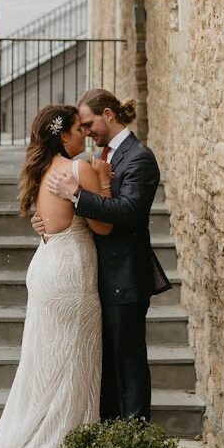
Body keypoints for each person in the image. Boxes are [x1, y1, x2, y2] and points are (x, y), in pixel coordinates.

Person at [0, 104, 114, 448]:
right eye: (78, 129)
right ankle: (58, 444)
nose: (84, 135)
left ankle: (38, 436)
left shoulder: (41, 171)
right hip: (71, 270)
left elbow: (48, 221)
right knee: (74, 362)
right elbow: (104, 227)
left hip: (46, 264)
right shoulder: (81, 169)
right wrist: (105, 180)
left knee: (46, 361)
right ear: (62, 135)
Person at [34, 89, 171, 422]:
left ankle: (135, 436)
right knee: (105, 364)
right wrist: (50, 221)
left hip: (125, 276)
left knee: (129, 362)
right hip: (95, 275)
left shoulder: (139, 157)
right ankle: (109, 431)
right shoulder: (104, 156)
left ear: (109, 115)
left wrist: (77, 196)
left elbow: (128, 211)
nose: (86, 131)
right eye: (80, 126)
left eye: (90, 123)